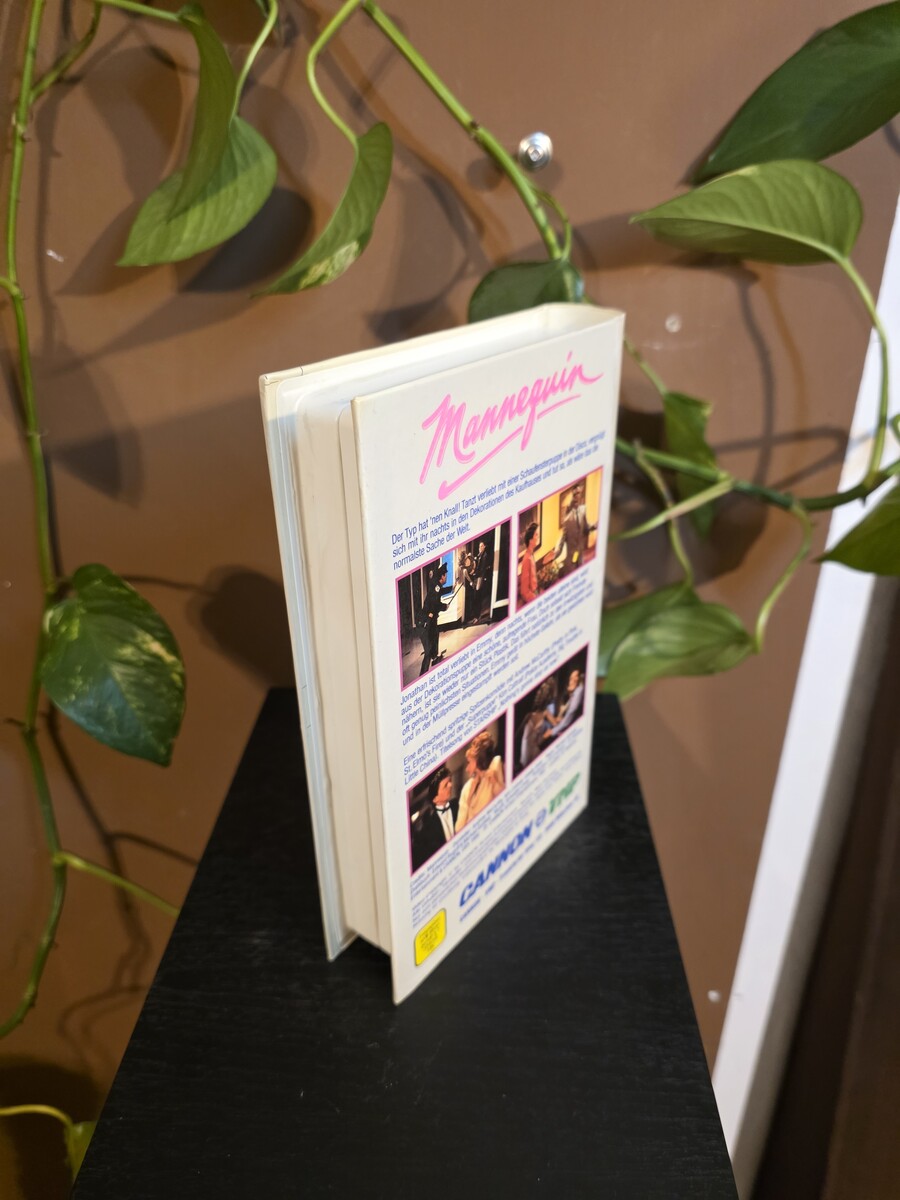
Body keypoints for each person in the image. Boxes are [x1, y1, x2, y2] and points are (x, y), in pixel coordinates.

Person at [410, 765, 458, 872]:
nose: (451, 785)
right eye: (445, 785)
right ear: (435, 798)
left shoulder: (458, 805)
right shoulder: (427, 827)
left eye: (450, 781)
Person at [455, 730, 505, 832]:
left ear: (478, 760)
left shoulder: (495, 767)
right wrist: (468, 800)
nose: (467, 769)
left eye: (469, 762)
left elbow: (504, 800)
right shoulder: (467, 788)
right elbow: (458, 828)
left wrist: (493, 781)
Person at [555, 485, 595, 578]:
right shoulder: (567, 519)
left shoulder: (583, 510)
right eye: (575, 494)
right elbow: (562, 540)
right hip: (570, 562)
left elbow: (586, 528)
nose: (577, 496)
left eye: (579, 493)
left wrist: (595, 525)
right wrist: (555, 555)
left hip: (580, 555)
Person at [419, 562, 448, 675]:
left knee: (435, 636)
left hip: (431, 619)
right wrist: (444, 606)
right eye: (445, 575)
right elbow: (435, 604)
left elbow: (440, 592)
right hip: (426, 621)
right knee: (428, 650)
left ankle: (435, 658)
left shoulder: (437, 586)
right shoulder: (436, 587)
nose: (446, 577)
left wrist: (452, 588)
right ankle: (422, 675)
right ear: (442, 577)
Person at [545, 668, 585, 743]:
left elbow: (571, 712)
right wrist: (561, 719)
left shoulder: (579, 690)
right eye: (571, 678)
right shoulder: (575, 692)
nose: (573, 680)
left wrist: (552, 732)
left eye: (575, 677)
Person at [518, 521, 539, 606]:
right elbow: (524, 591)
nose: (538, 537)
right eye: (536, 535)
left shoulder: (531, 555)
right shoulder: (527, 559)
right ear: (530, 540)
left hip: (535, 592)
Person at [473, 538, 492, 621]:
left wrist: (475, 572)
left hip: (480, 577)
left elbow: (482, 569)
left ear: (484, 547)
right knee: (476, 596)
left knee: (477, 596)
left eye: (481, 546)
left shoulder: (484, 556)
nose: (480, 548)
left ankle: (477, 616)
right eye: (479, 546)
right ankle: (477, 615)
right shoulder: (479, 555)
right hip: (477, 577)